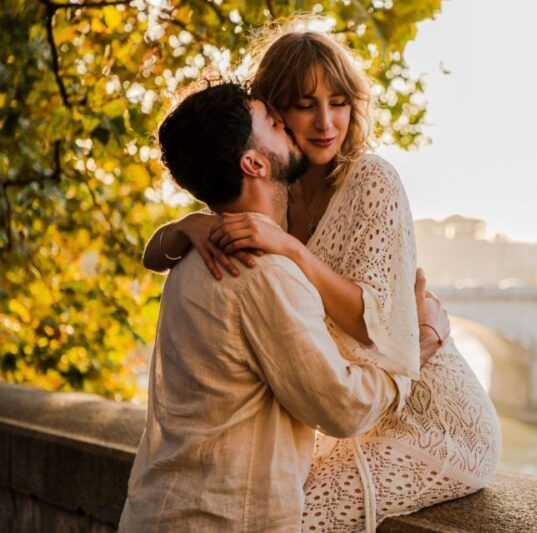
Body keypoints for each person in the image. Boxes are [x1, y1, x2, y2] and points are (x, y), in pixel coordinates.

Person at [144, 28, 500, 532]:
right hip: (354, 410)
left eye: (339, 102)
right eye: (304, 105)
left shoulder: (371, 180)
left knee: (296, 517)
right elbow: (160, 255)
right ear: (273, 115)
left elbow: (372, 327)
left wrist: (293, 250)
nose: (326, 122)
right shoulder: (276, 185)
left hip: (427, 414)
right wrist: (185, 226)